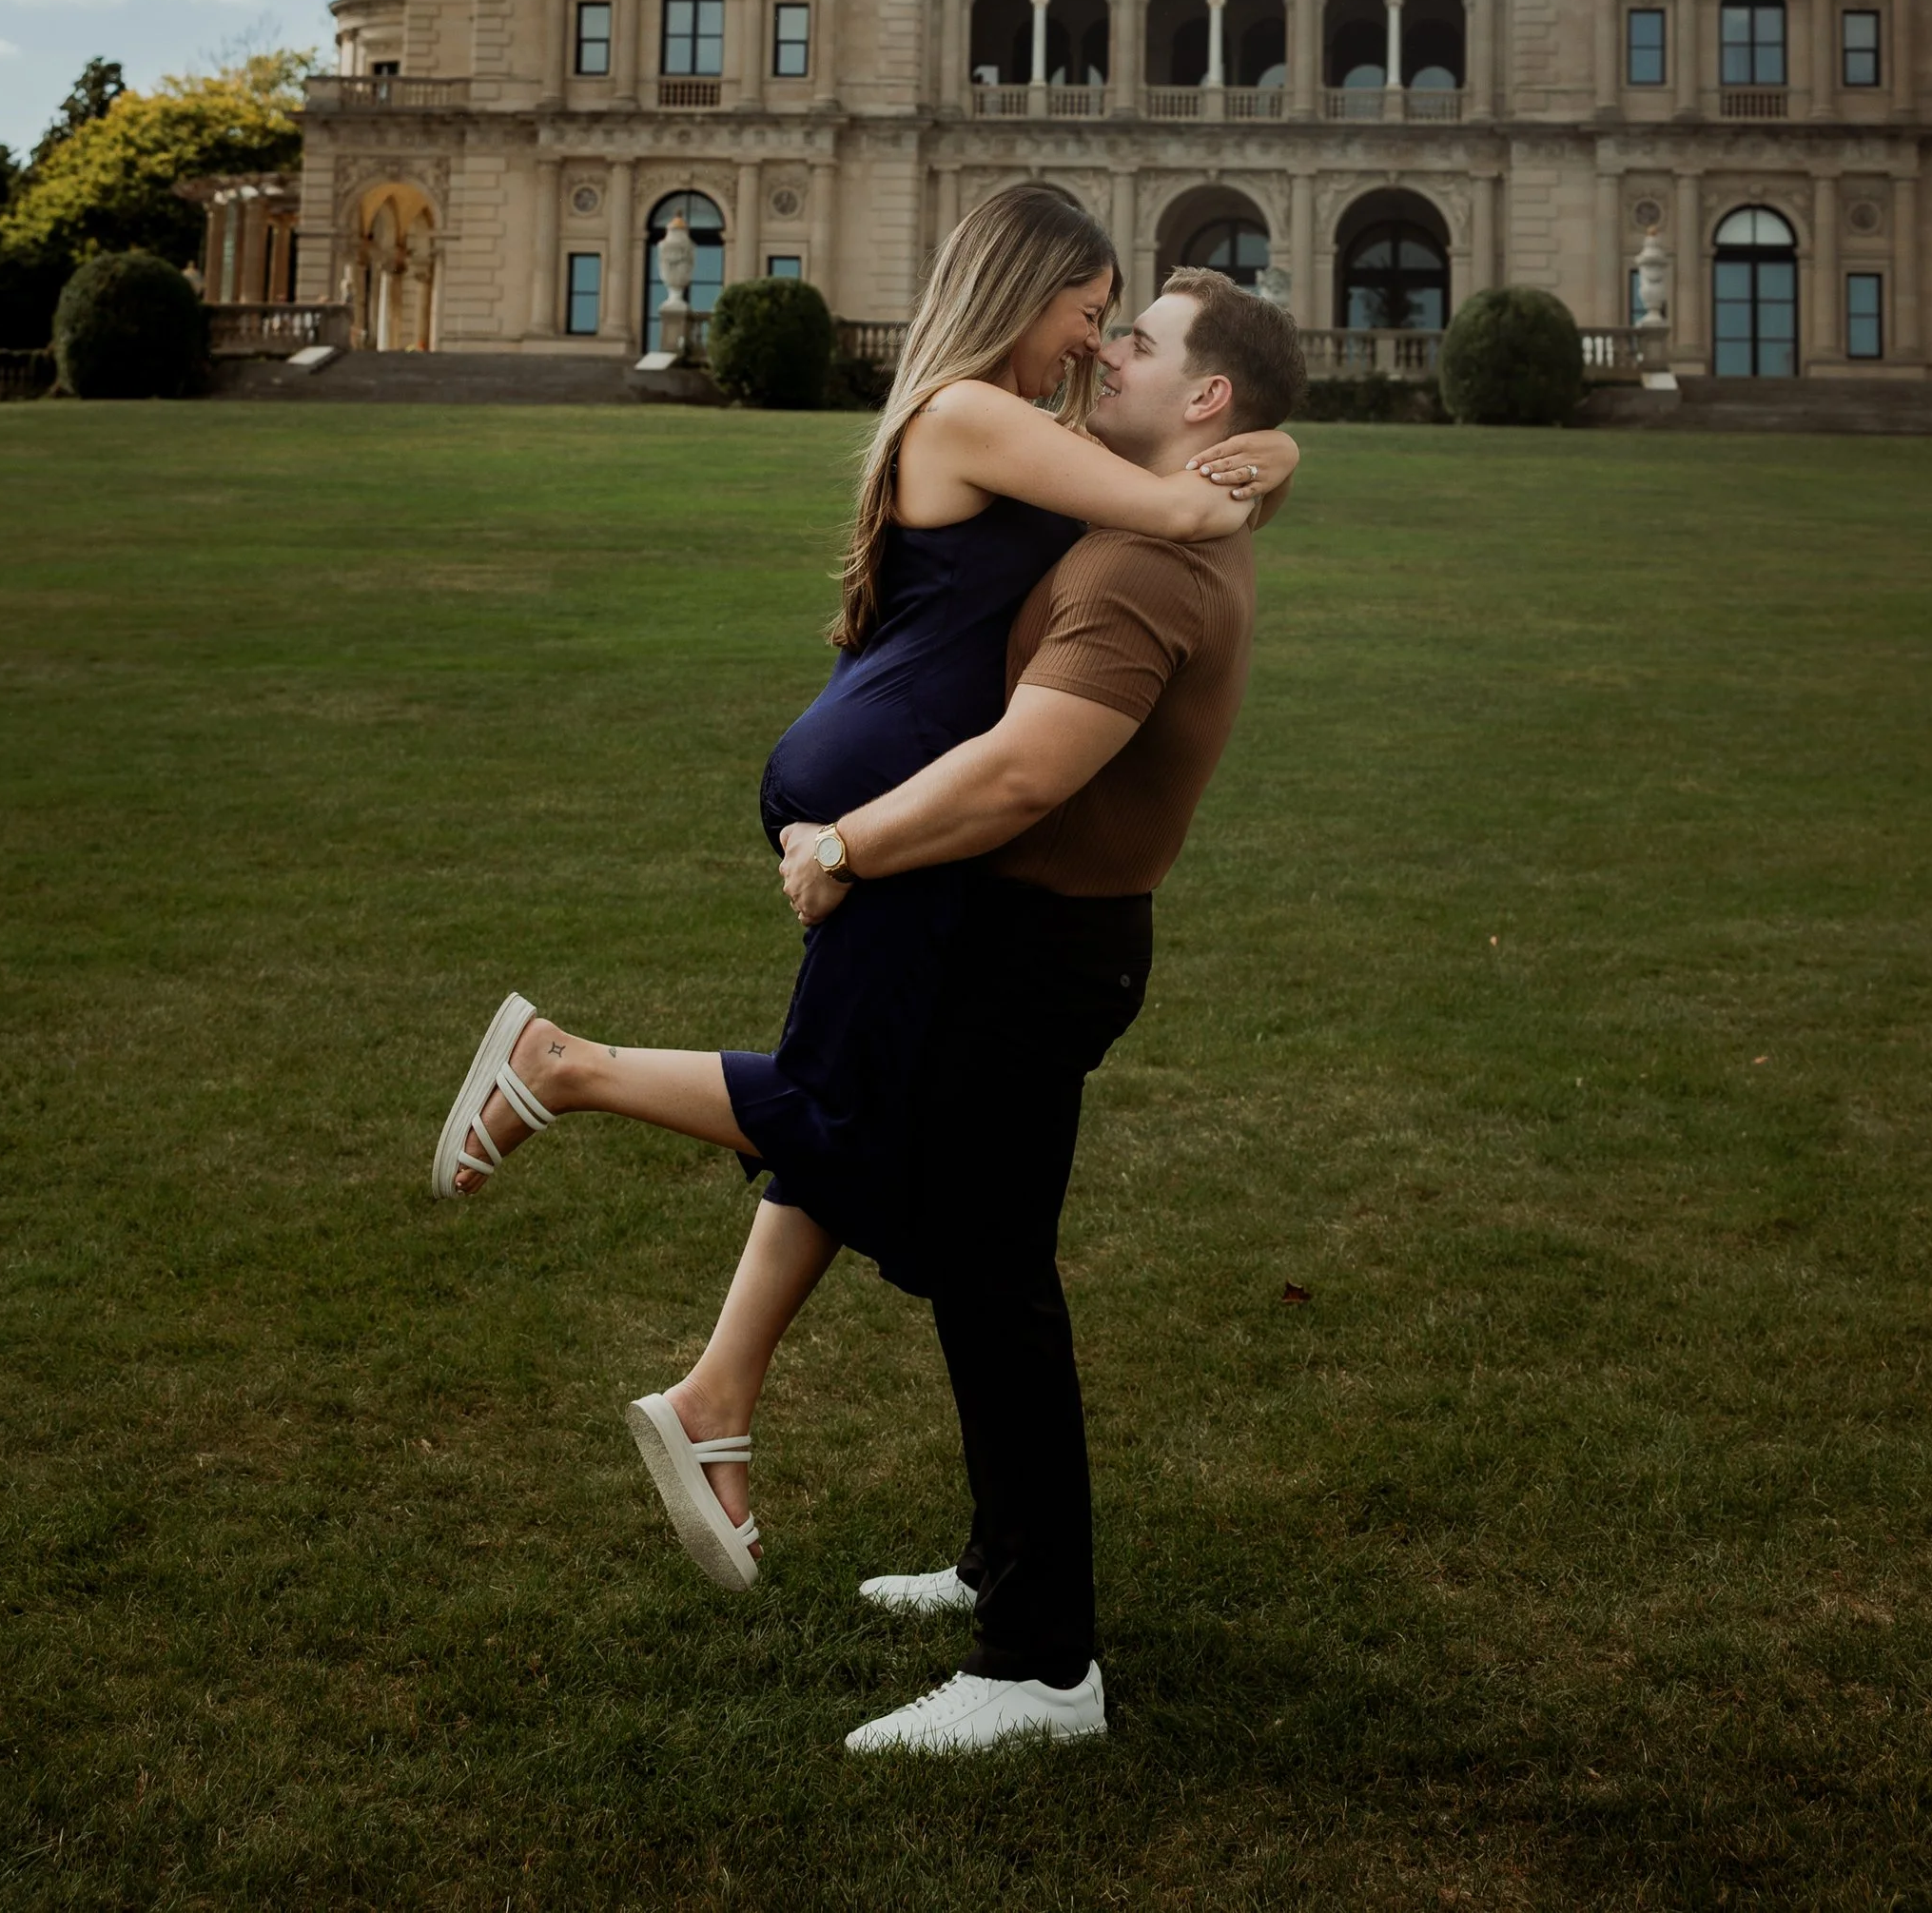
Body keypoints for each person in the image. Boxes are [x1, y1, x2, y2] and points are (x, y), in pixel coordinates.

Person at [427, 185, 1297, 1591]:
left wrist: (1270, 441)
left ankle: (719, 1398)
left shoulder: (1023, 427)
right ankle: (559, 1067)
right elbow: (1167, 500)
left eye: (1122, 330)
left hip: (890, 790)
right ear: (1026, 289)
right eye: (1090, 312)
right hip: (879, 791)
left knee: (860, 1100)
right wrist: (1250, 462)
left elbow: (1197, 464)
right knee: (848, 1107)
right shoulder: (972, 413)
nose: (1093, 344)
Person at [783, 264, 1309, 1755]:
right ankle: (999, 1567)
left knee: (996, 1282)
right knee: (974, 1266)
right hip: (1043, 935)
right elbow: (1261, 447)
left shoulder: (1144, 567)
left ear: (1202, 398)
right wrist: (1279, 446)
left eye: (1135, 342)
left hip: (1042, 950)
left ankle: (1041, 1665)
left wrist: (845, 843)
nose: (1104, 348)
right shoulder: (1149, 504)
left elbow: (1024, 772)